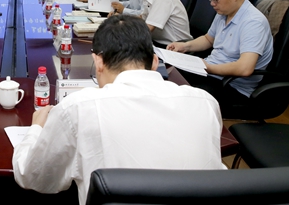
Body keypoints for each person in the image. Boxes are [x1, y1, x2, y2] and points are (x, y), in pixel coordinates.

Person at [12, 15, 224, 205]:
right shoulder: (205, 102)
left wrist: (36, 128)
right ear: (154, 62)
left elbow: (32, 176)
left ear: (98, 62)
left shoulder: (79, 107)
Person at [167, 0, 274, 109]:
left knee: (182, 96)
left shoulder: (253, 23)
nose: (212, 3)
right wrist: (185, 46)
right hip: (212, 74)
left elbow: (245, 68)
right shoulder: (224, 12)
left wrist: (207, 67)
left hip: (232, 86)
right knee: (166, 74)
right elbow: (208, 39)